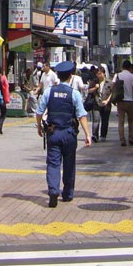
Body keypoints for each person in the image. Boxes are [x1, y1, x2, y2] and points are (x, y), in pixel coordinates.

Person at [36, 60, 92, 207]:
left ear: (58, 76)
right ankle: (67, 194)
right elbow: (81, 115)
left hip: (53, 132)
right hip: (69, 133)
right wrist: (87, 134)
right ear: (71, 76)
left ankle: (53, 191)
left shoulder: (49, 92)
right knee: (69, 164)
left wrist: (39, 127)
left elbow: (39, 111)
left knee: (53, 164)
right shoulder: (74, 94)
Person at [111, 60, 133, 146]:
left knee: (121, 121)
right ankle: (131, 138)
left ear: (122, 67)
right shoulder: (132, 76)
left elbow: (113, 86)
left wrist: (113, 97)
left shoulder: (117, 75)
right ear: (129, 67)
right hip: (130, 102)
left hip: (120, 101)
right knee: (131, 121)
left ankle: (122, 140)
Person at [95, 64, 113, 141]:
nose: (98, 75)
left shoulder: (109, 82)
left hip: (106, 104)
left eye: (100, 73)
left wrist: (107, 100)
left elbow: (112, 93)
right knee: (96, 120)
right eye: (97, 74)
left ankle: (103, 135)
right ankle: (95, 135)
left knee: (105, 120)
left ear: (104, 73)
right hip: (97, 103)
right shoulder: (95, 82)